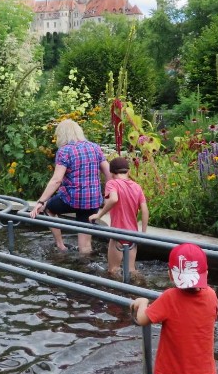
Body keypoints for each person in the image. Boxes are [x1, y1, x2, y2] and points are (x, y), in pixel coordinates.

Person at [130, 243, 218, 374]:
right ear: (206, 273)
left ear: (170, 274)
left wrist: (143, 302)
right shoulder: (212, 296)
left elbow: (142, 319)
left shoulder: (170, 297)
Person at [30, 119, 110, 254]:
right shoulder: (94, 147)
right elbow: (108, 173)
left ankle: (61, 247)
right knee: (85, 244)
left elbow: (56, 180)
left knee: (48, 208)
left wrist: (41, 201)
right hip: (93, 200)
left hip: (73, 199)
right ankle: (86, 269)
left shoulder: (65, 151)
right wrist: (107, 196)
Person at [89, 156, 149, 279]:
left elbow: (114, 199)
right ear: (129, 171)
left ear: (111, 173)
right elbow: (145, 210)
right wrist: (143, 233)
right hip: (133, 235)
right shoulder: (137, 186)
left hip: (117, 234)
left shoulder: (112, 183)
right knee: (131, 270)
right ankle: (137, 290)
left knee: (113, 270)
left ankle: (117, 295)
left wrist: (99, 215)